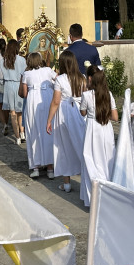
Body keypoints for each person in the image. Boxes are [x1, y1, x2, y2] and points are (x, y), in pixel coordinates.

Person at [47, 50, 88, 195]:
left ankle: (67, 183)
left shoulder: (60, 79)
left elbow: (56, 101)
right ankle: (86, 179)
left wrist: (49, 120)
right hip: (80, 112)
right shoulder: (82, 77)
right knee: (81, 146)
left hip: (64, 113)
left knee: (63, 148)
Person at [81, 66, 118, 207]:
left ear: (90, 79)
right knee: (106, 161)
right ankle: (107, 195)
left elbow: (83, 113)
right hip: (106, 129)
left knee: (91, 160)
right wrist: (104, 112)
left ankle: (94, 198)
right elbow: (115, 117)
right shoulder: (109, 95)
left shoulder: (87, 95)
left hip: (92, 130)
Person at [19, 52, 56, 178]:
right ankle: (50, 167)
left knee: (32, 130)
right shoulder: (48, 70)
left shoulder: (26, 74)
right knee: (48, 130)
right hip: (47, 98)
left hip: (33, 99)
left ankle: (35, 167)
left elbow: (24, 93)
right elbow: (58, 80)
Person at [0, 39, 27, 142]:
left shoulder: (3, 60)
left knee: (13, 112)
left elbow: (1, 76)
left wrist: (3, 83)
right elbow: (24, 74)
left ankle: (17, 137)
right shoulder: (21, 60)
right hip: (18, 84)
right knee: (20, 111)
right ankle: (22, 132)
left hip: (8, 85)